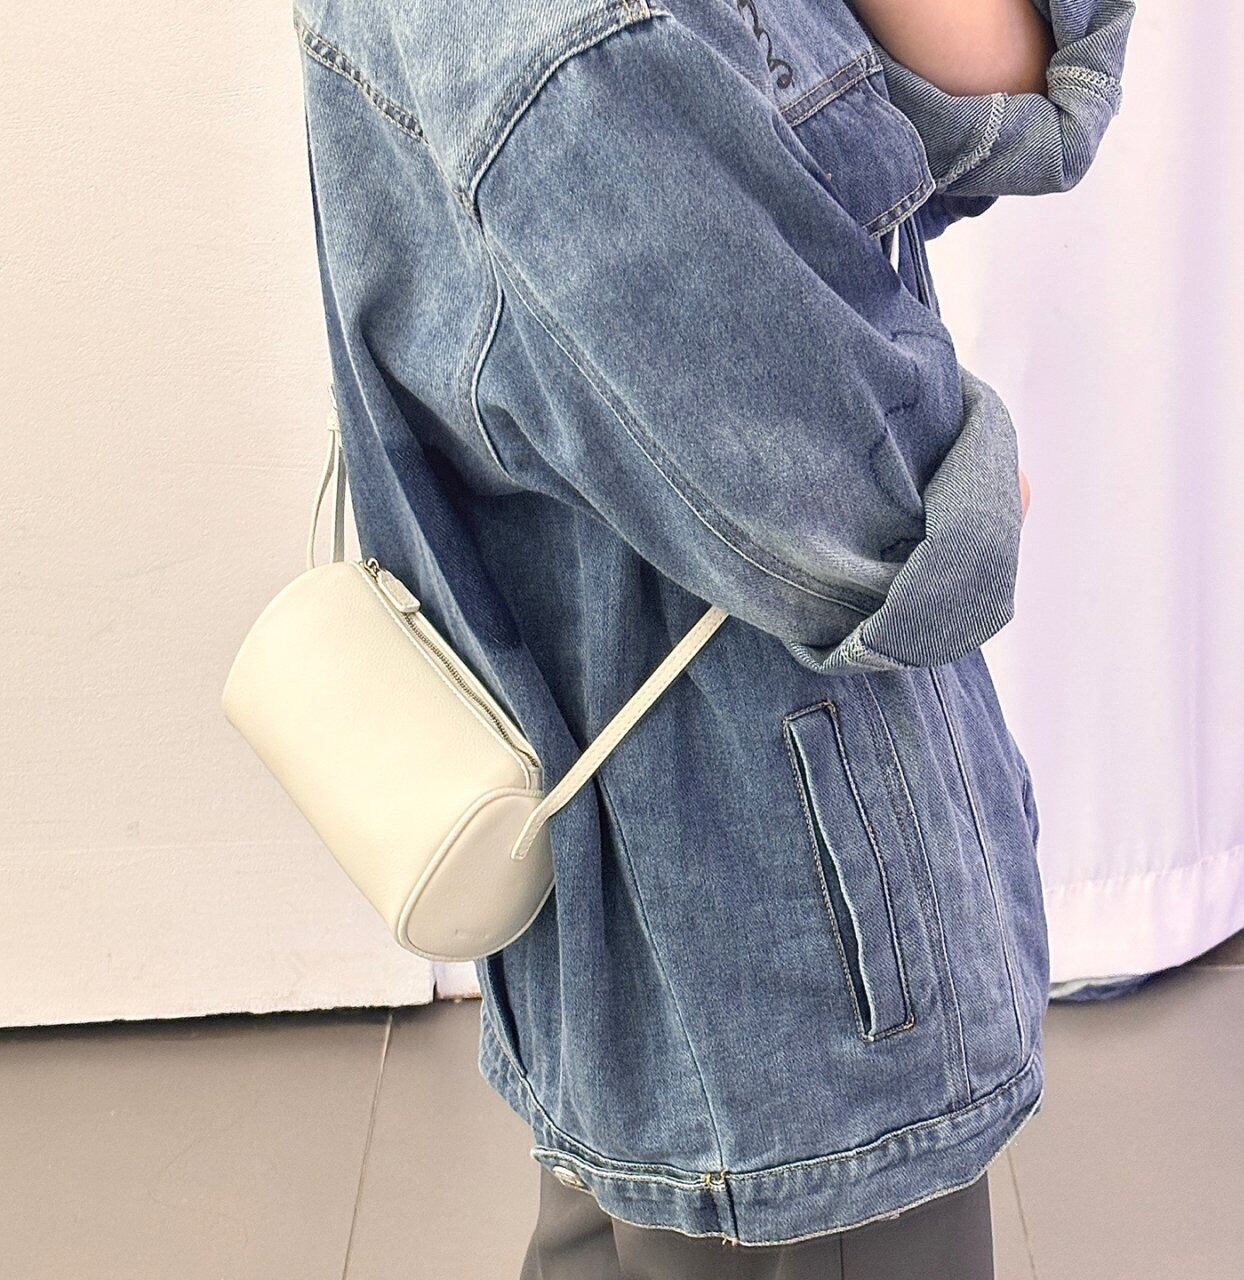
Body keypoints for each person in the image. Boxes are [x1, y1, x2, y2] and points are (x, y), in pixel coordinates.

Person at [294, 0, 1134, 1273]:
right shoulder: (579, 43)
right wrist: (966, 484)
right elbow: (868, 513)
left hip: (643, 867)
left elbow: (968, 113)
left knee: (627, 1220)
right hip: (797, 938)